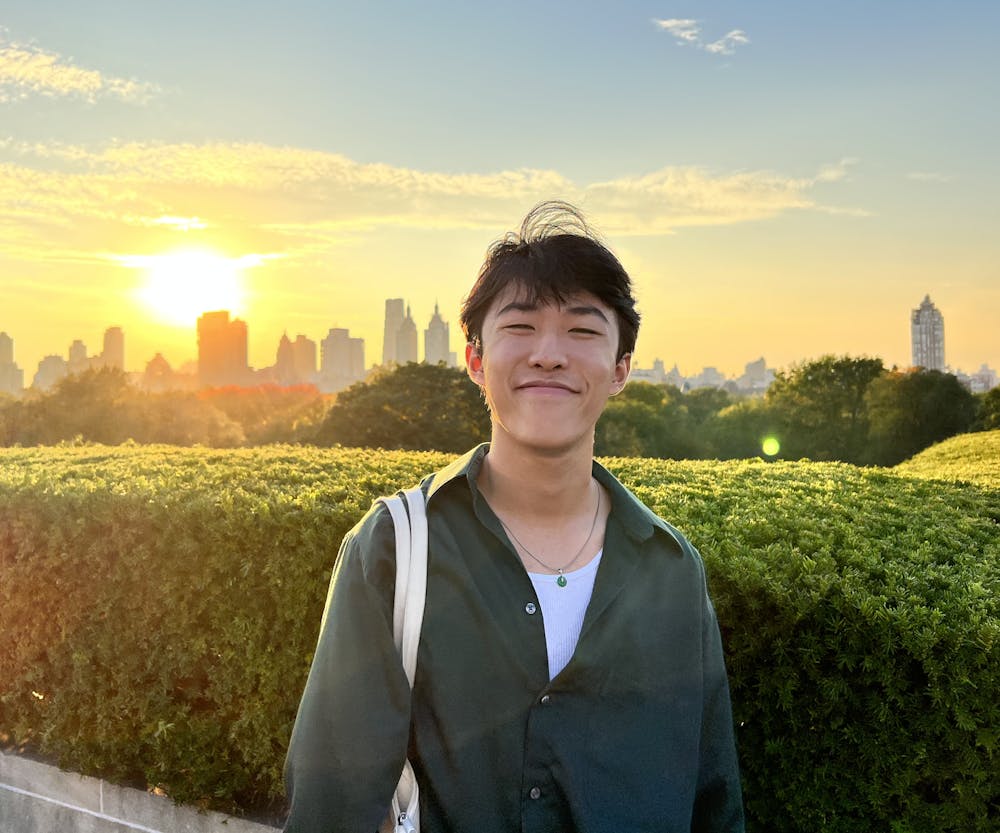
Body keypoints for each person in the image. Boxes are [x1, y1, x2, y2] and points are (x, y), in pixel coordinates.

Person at [283, 202, 745, 832]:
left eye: (583, 330)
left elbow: (712, 798)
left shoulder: (669, 569)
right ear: (476, 360)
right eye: (521, 327)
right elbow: (331, 802)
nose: (549, 355)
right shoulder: (396, 549)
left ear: (621, 369)